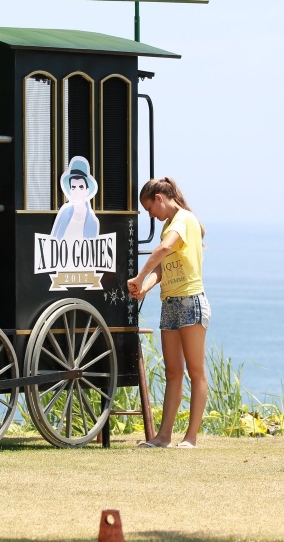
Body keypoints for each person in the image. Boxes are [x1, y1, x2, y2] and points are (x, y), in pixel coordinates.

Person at [127, 177, 209, 449]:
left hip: (190, 301)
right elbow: (163, 269)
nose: (150, 214)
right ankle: (163, 437)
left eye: (149, 208)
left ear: (159, 199)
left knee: (196, 372)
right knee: (173, 372)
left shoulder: (184, 219)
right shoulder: (169, 225)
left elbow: (163, 250)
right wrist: (145, 287)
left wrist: (139, 277)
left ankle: (191, 438)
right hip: (170, 302)